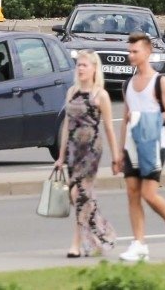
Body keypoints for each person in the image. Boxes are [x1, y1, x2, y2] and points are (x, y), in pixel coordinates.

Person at [115, 31, 165, 261]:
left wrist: (144, 118)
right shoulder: (128, 84)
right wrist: (119, 152)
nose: (131, 55)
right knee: (132, 193)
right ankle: (139, 244)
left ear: (147, 51)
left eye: (135, 51)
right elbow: (125, 119)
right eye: (129, 51)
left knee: (149, 194)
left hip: (154, 143)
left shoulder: (160, 82)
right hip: (132, 144)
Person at [55, 51, 120, 258]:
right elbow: (67, 125)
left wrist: (116, 157)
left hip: (91, 149)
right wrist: (61, 156)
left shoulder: (100, 95)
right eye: (79, 65)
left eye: (85, 65)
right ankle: (102, 234)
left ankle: (76, 244)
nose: (81, 68)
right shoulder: (72, 92)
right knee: (81, 196)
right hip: (73, 149)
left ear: (94, 69)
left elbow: (109, 128)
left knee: (79, 194)